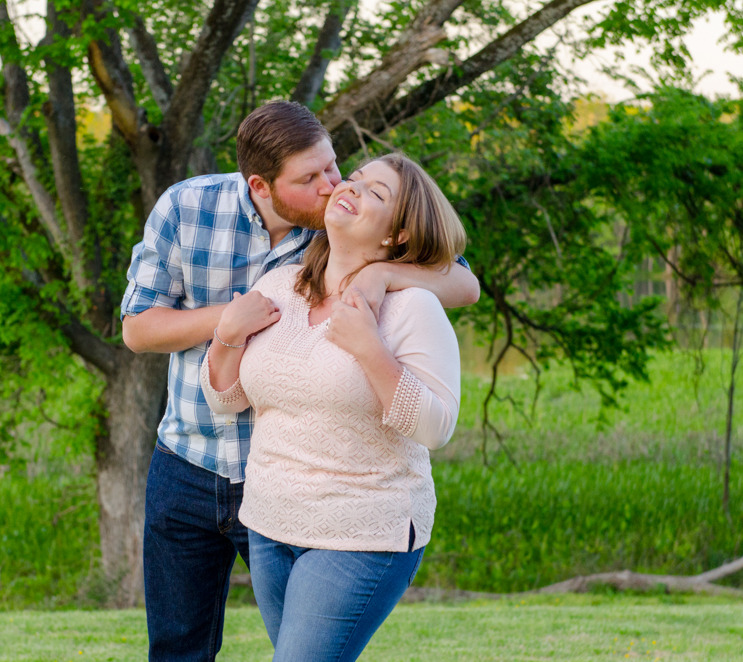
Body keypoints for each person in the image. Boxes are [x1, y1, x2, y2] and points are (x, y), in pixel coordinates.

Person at [121, 102, 478, 662]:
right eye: (311, 179)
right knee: (177, 649)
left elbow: (460, 281)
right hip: (196, 461)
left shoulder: (351, 248)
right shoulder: (197, 213)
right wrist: (228, 325)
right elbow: (140, 331)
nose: (333, 185)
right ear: (262, 186)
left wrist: (381, 274)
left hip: (325, 498)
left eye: (335, 167)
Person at [201, 153, 463, 661]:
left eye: (377, 194)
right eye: (356, 178)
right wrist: (227, 334)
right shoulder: (281, 286)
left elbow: (436, 428)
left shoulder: (413, 307)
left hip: (363, 529)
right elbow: (227, 399)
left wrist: (369, 346)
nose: (353, 188)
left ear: (399, 236)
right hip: (270, 525)